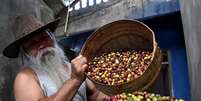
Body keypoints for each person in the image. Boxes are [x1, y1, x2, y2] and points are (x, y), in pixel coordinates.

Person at [3, 14, 110, 101]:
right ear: (25, 52)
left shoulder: (70, 67)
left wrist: (104, 96)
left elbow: (93, 94)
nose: (41, 44)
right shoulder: (25, 77)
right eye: (32, 43)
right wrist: (74, 80)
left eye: (44, 37)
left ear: (53, 38)